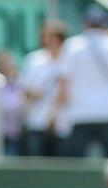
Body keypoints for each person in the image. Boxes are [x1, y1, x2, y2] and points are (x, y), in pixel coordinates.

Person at [55, 5, 108, 158]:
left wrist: (58, 111)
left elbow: (64, 81)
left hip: (79, 112)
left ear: (85, 24)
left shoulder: (72, 45)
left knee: (76, 162)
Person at [19, 20, 69, 158]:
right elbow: (25, 87)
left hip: (63, 124)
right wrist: (35, 94)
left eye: (51, 36)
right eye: (45, 36)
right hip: (37, 121)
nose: (46, 40)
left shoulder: (70, 58)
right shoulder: (34, 59)